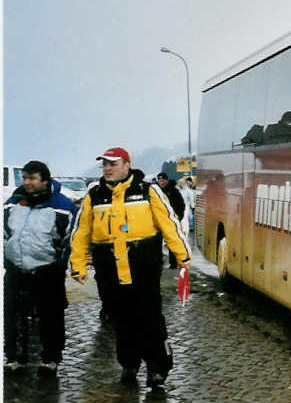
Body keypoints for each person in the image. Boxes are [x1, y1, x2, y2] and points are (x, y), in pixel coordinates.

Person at [70, 147, 191, 389]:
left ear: (126, 165)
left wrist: (183, 257)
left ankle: (157, 368)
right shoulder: (94, 194)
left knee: (150, 317)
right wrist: (78, 264)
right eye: (104, 164)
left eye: (112, 164)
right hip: (108, 268)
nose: (107, 168)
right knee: (121, 318)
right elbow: (81, 231)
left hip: (143, 266)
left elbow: (169, 223)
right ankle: (129, 363)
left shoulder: (147, 190)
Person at [3, 160, 77, 376]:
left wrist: (59, 264)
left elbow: (69, 239)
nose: (27, 182)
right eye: (25, 178)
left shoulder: (62, 206)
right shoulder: (12, 203)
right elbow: (6, 232)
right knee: (14, 315)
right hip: (16, 269)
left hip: (47, 270)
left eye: (32, 178)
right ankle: (15, 358)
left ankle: (50, 359)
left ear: (45, 180)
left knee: (50, 316)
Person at [157, 172, 185, 268]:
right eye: (160, 180)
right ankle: (158, 262)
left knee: (171, 242)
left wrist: (178, 218)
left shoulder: (174, 191)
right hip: (158, 220)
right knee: (156, 242)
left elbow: (181, 205)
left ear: (167, 180)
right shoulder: (156, 192)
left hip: (171, 220)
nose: (162, 182)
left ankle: (173, 263)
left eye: (163, 180)